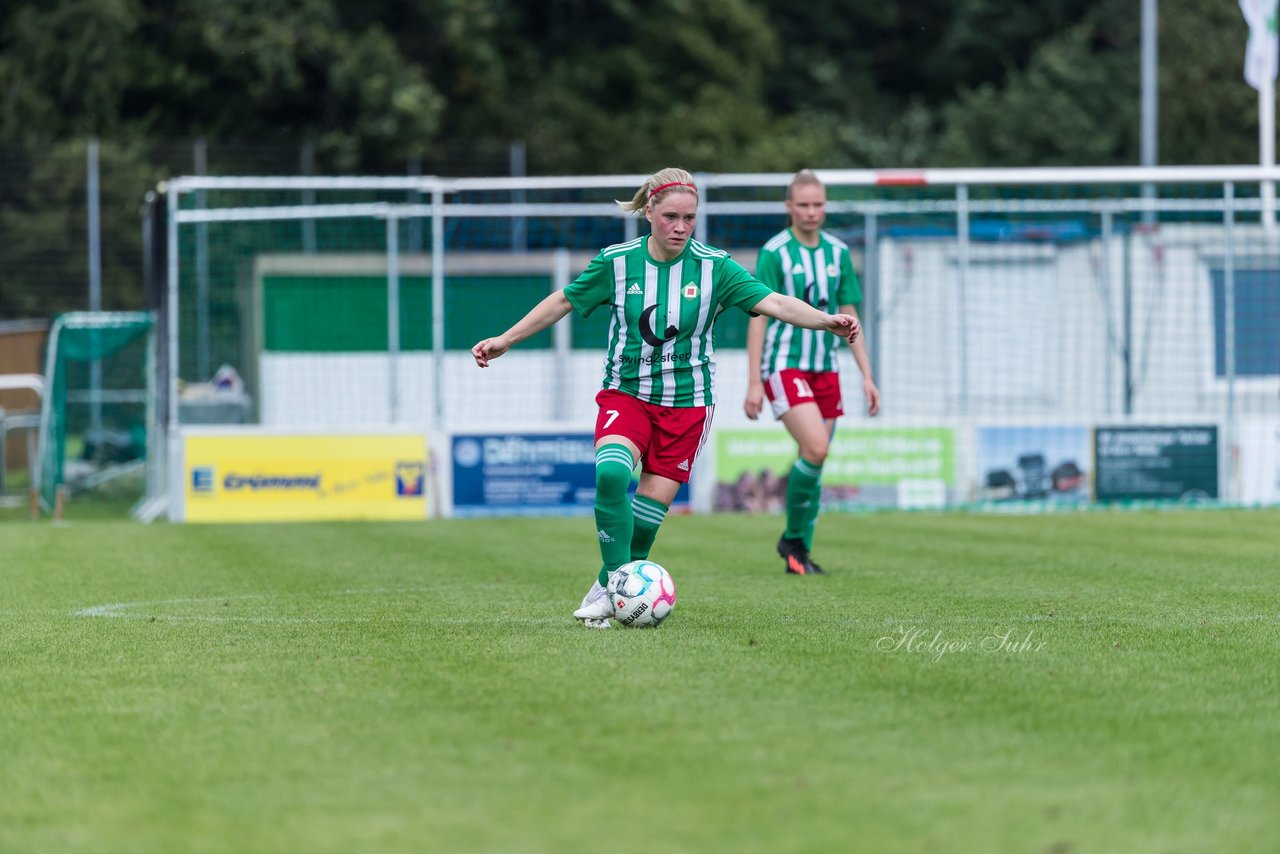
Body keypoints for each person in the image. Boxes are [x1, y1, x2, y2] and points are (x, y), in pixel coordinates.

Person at [472, 167, 862, 627]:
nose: (680, 227)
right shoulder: (617, 262)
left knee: (642, 531)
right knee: (613, 474)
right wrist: (507, 338)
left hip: (689, 406)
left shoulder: (714, 267)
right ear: (649, 213)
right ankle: (617, 584)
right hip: (628, 395)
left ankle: (607, 591)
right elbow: (562, 301)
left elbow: (774, 302)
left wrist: (825, 319)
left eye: (689, 218)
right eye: (671, 216)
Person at [743, 169, 881, 576]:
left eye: (818, 204)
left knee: (814, 459)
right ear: (789, 207)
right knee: (817, 447)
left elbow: (851, 317)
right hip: (784, 366)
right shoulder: (774, 252)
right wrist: (754, 382)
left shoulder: (838, 253)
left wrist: (867, 376)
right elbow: (758, 318)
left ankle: (797, 549)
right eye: (803, 204)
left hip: (827, 369)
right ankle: (792, 541)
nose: (811, 211)